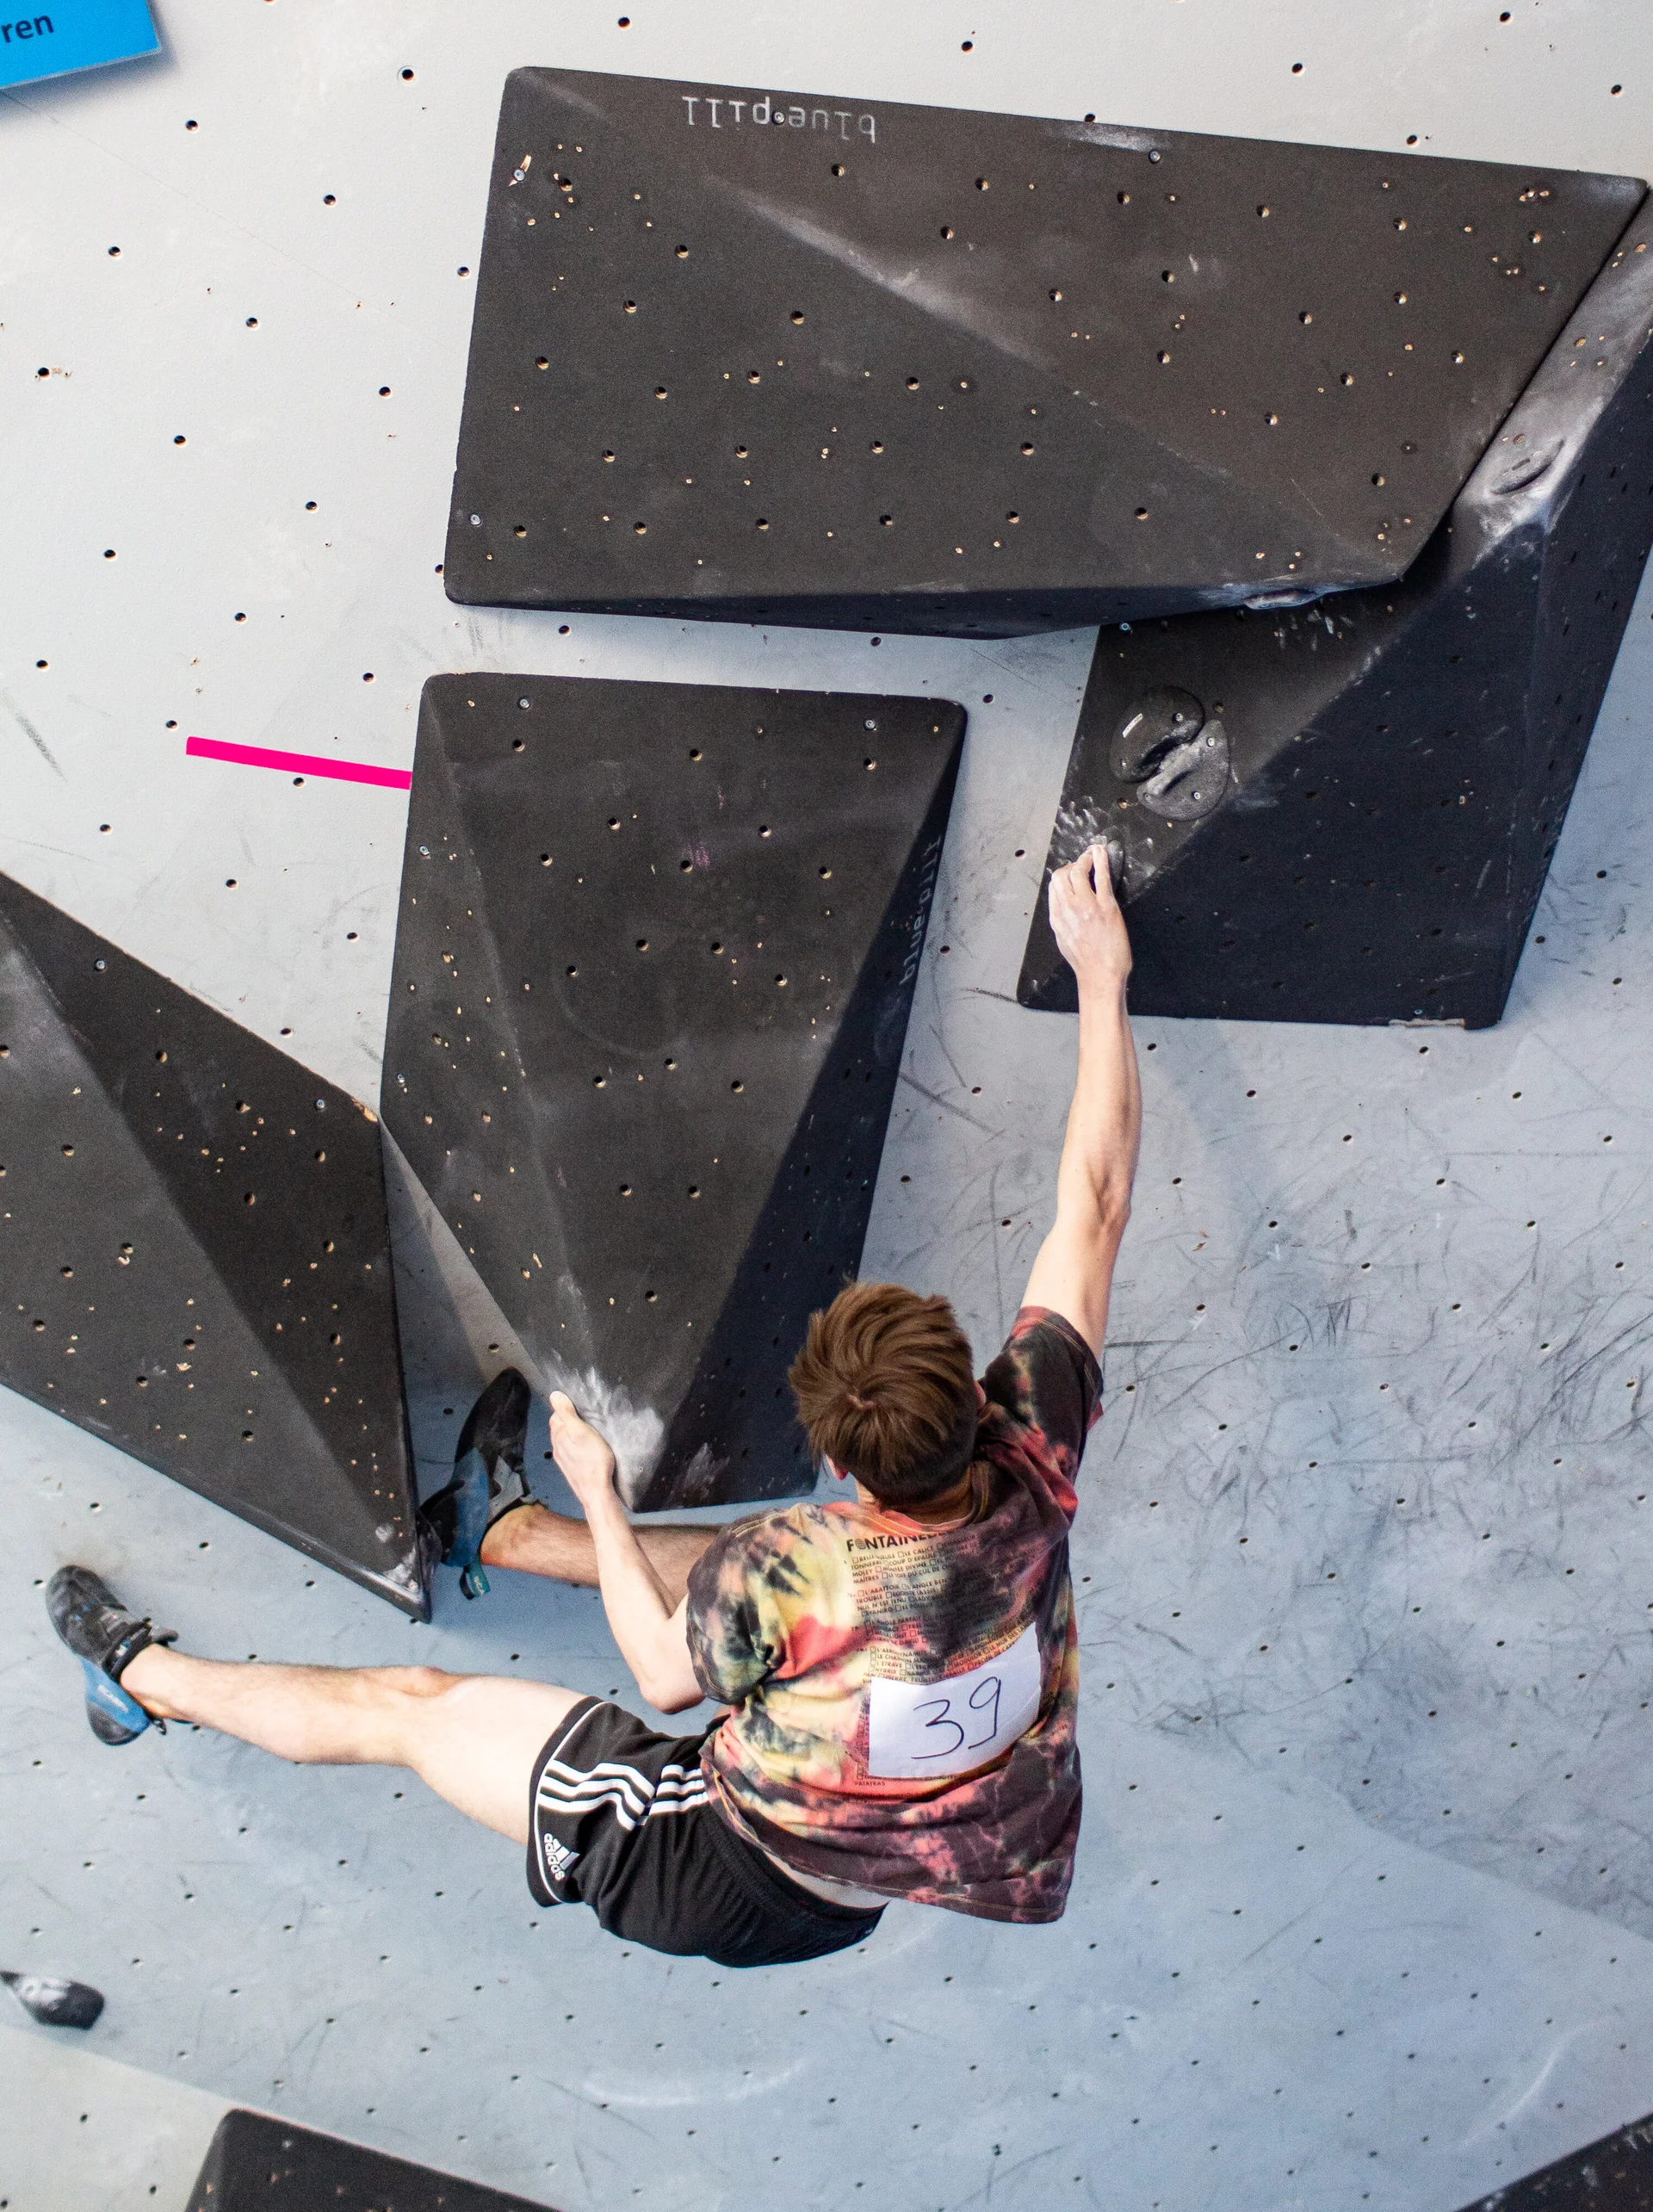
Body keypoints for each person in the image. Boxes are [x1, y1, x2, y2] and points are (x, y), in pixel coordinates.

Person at [46, 844, 1139, 1969]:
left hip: (706, 1859)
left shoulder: (796, 1563)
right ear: (972, 1390)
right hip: (863, 1889)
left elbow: (665, 1675)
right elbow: (1094, 1207)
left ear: (836, 1458)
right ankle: (505, 1534)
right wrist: (1102, 982)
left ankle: (136, 1681)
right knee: (777, 1601)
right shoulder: (1030, 1443)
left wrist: (604, 1496)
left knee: (412, 1710)